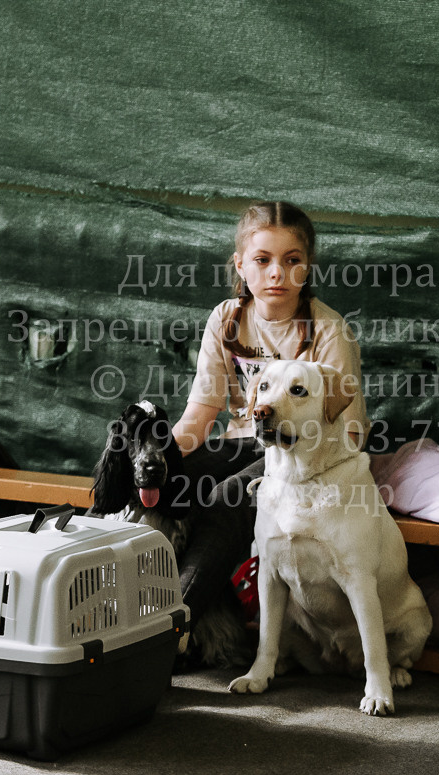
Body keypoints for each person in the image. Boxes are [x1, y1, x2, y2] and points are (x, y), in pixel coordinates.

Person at [172, 200, 370, 657]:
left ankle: (171, 633)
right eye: (262, 260)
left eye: (291, 260)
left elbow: (350, 434)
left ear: (307, 266)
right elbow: (200, 415)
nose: (276, 273)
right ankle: (153, 622)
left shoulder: (328, 330)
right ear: (241, 264)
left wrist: (295, 476)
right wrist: (164, 458)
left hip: (303, 456)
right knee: (173, 484)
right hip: (244, 441)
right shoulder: (225, 319)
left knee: (227, 500)